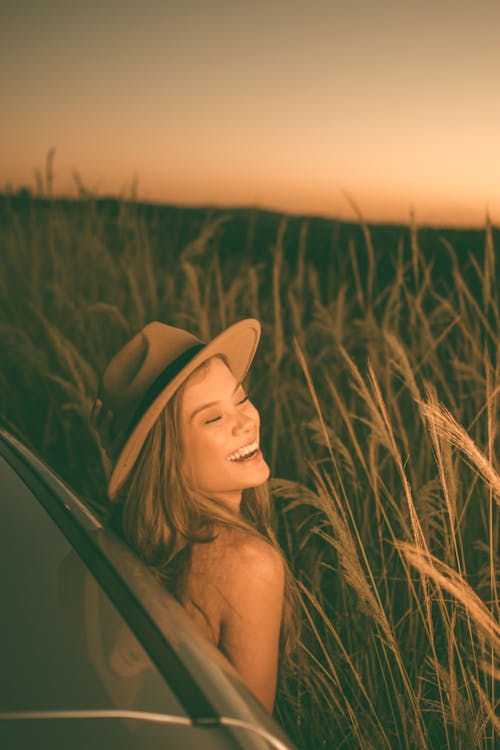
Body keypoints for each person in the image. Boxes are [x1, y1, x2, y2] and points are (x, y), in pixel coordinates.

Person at [91, 318, 299, 713]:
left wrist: (128, 461)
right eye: (212, 418)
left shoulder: (131, 538)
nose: (244, 422)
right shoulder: (248, 565)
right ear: (165, 455)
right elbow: (248, 738)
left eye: (240, 399)